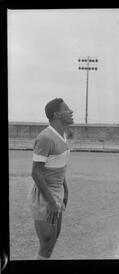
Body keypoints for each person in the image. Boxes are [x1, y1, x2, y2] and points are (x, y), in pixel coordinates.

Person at [29, 98, 73, 259]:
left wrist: (65, 191)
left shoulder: (63, 135)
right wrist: (51, 202)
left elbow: (60, 167)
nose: (71, 111)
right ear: (57, 114)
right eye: (66, 109)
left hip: (57, 194)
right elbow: (36, 172)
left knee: (53, 240)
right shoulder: (45, 138)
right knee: (47, 243)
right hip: (45, 196)